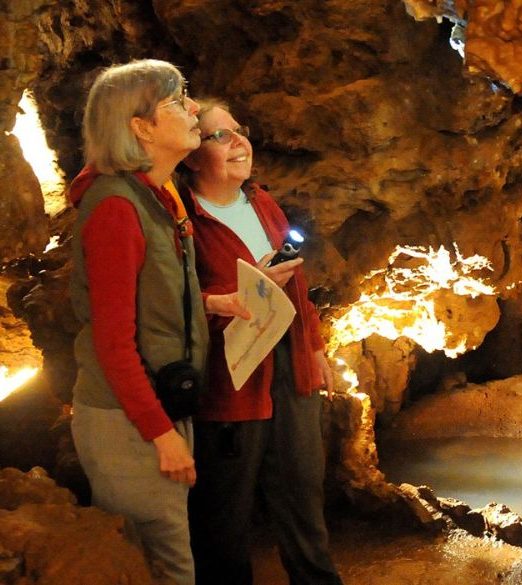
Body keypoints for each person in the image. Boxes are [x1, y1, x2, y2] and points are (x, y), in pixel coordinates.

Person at [68, 60, 248, 585]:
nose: (195, 109)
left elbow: (151, 297)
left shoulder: (157, 195)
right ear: (140, 126)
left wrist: (212, 304)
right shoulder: (115, 208)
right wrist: (161, 434)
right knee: (163, 565)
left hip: (157, 404)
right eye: (177, 102)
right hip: (127, 419)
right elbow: (112, 339)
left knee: (168, 550)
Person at [178, 98, 343, 585]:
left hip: (289, 363)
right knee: (226, 505)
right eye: (220, 136)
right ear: (192, 156)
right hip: (233, 375)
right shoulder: (186, 219)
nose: (238, 142)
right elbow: (174, 299)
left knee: (302, 488)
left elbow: (299, 286)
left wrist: (315, 349)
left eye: (239, 131)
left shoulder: (261, 201)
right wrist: (225, 298)